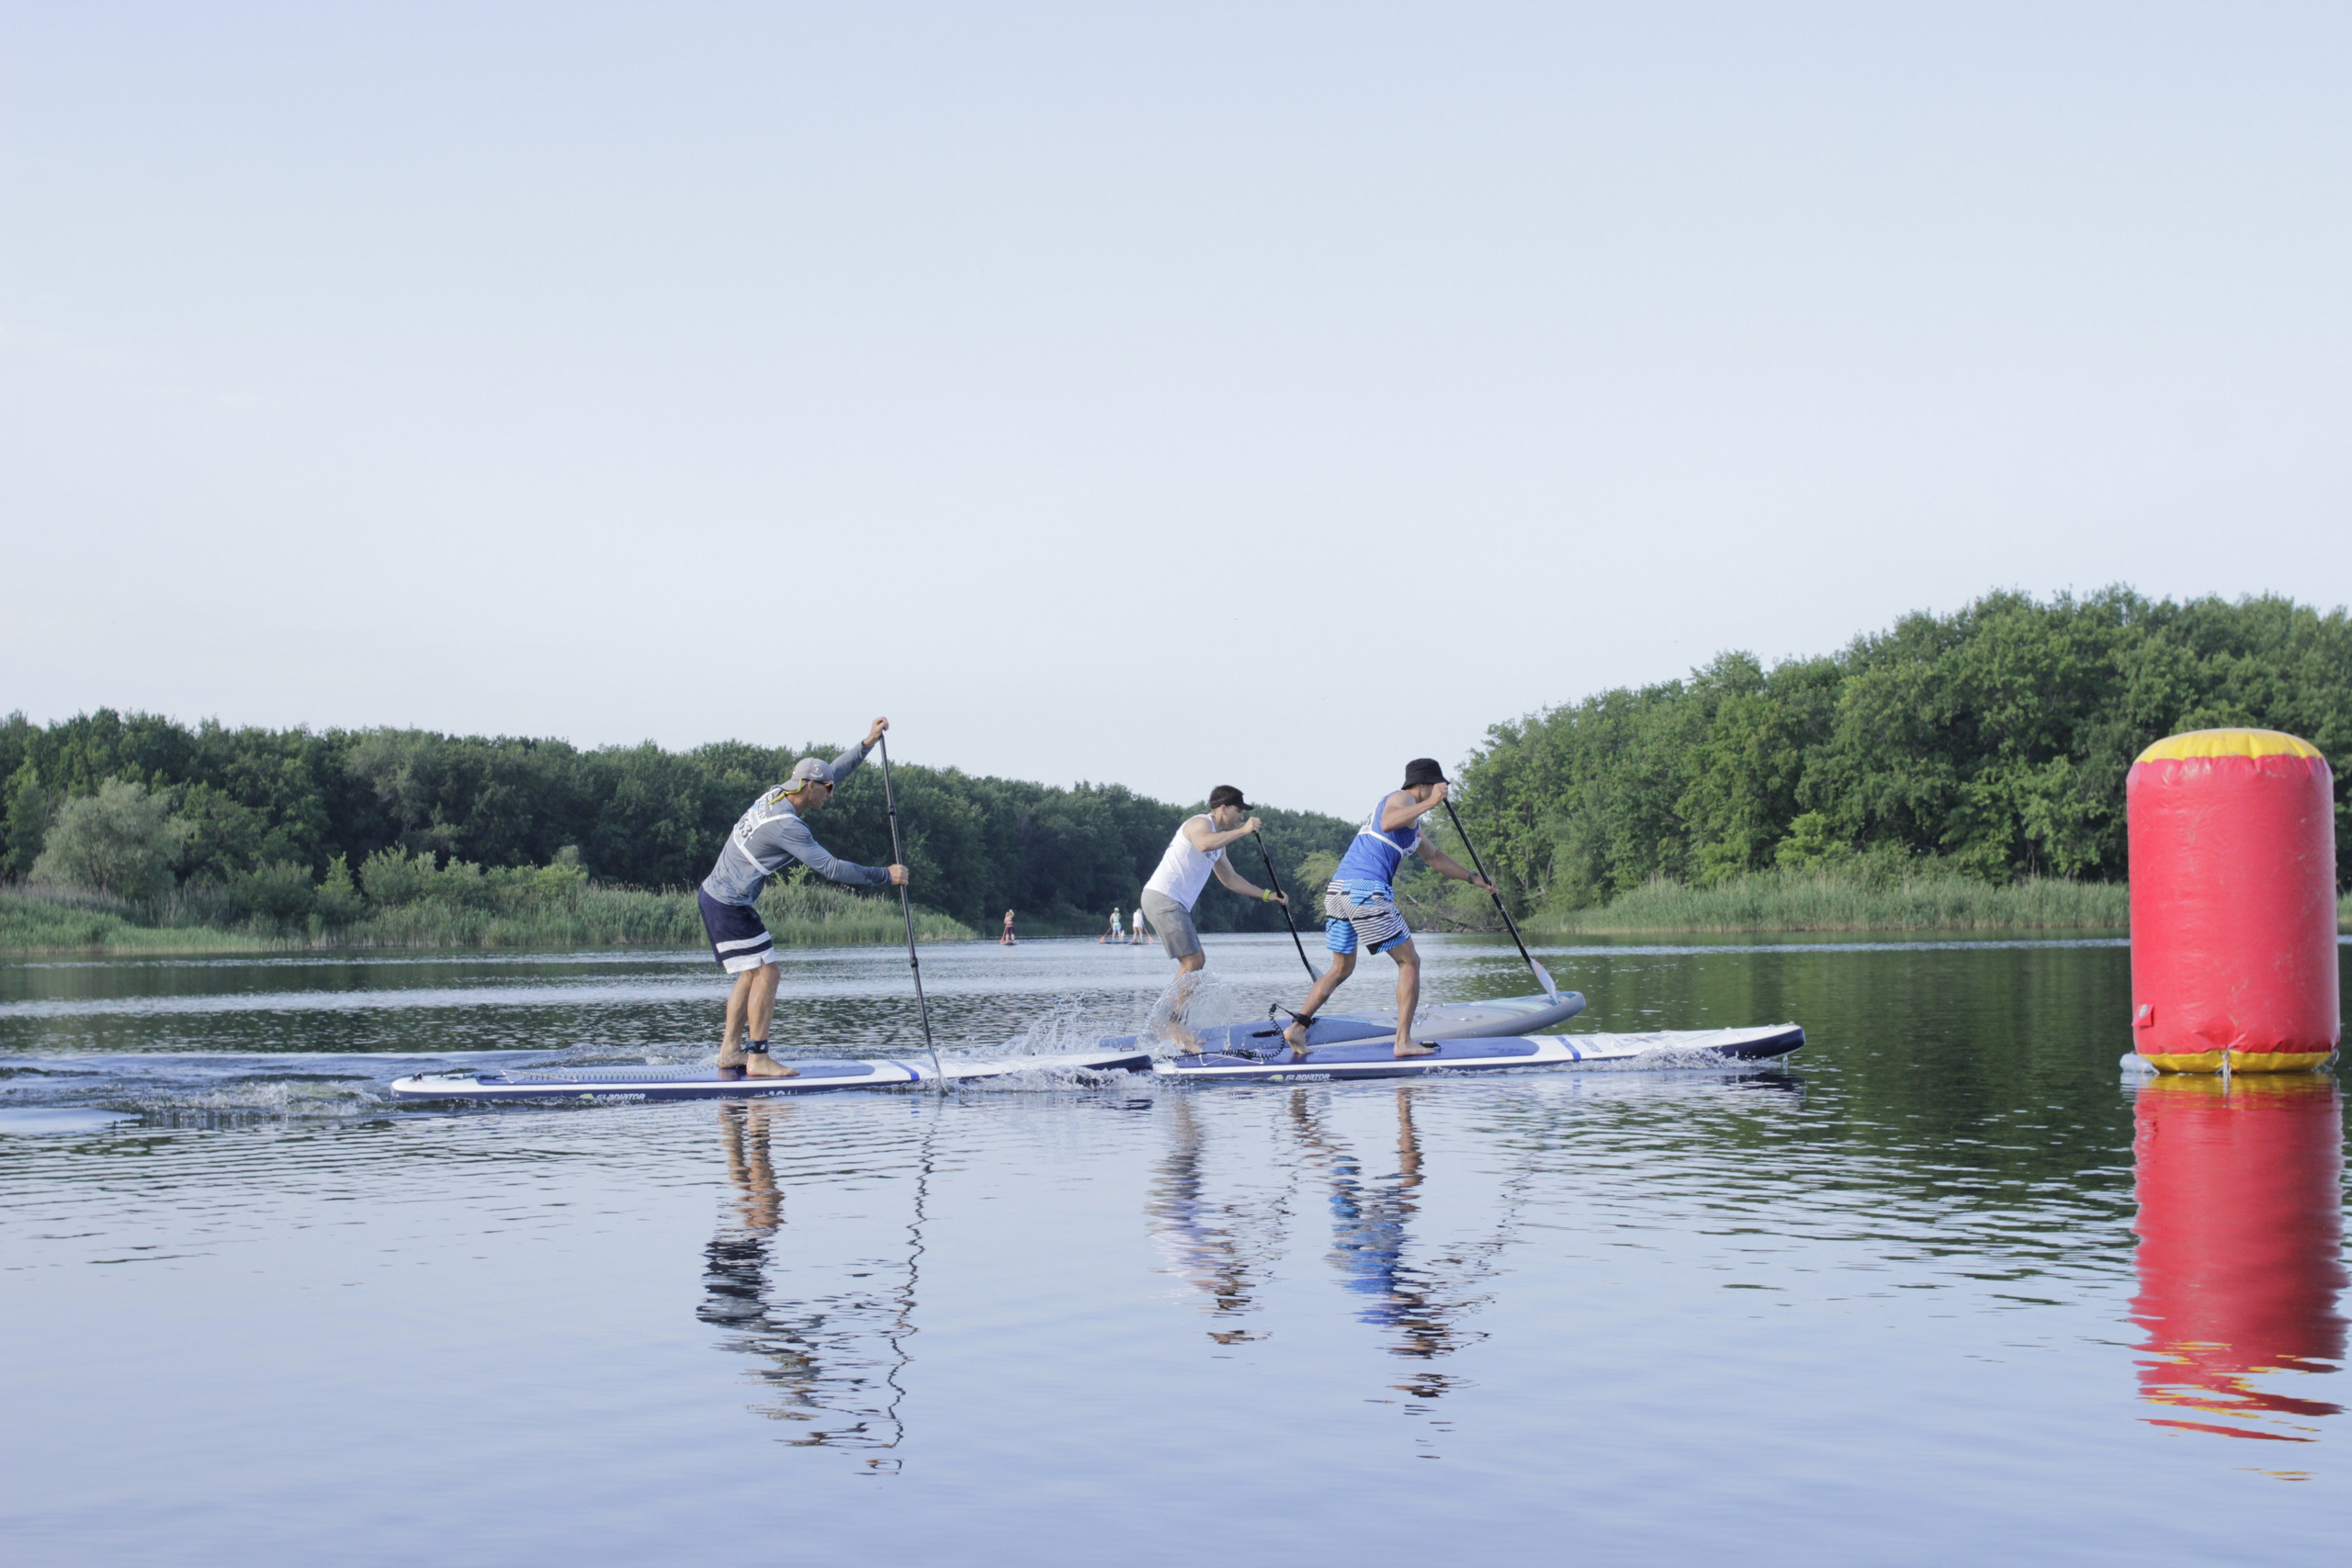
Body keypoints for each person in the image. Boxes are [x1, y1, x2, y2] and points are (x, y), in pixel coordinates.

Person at [697, 717, 908, 1079]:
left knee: (751, 975)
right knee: (768, 973)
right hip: (729, 902)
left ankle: (730, 1051)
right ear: (809, 787)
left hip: (716, 896)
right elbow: (832, 868)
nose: (832, 793)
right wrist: (884, 875)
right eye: (827, 788)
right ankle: (758, 1058)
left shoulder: (781, 792)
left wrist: (867, 743)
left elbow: (832, 772)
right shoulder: (787, 826)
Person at [1280, 759, 1493, 1060]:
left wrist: (1474, 878)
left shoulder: (1413, 826)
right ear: (1424, 784)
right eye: (1437, 786)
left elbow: (1435, 857)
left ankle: (1298, 1027)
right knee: (1410, 962)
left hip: (1339, 891)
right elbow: (1389, 822)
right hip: (1365, 891)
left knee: (1341, 968)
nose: (1440, 791)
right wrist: (1432, 802)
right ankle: (1403, 1041)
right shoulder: (1401, 798)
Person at [1139, 784, 1289, 1049]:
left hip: (1173, 903)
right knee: (1194, 960)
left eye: (1243, 814)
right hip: (1163, 897)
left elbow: (1230, 880)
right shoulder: (1200, 823)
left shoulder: (1218, 843)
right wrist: (1242, 832)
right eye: (1238, 810)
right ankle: (1171, 1027)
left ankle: (1169, 1024)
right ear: (1223, 808)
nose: (1241, 816)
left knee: (1195, 961)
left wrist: (1268, 895)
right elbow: (1202, 843)